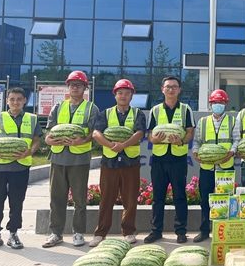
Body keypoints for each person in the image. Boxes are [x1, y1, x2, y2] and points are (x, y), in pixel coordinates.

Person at [0, 87, 42, 250]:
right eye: (12, 99)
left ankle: (13, 234)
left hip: (20, 167)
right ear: (7, 101)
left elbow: (36, 140)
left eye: (19, 99)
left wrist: (30, 151)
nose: (15, 102)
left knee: (17, 202)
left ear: (24, 101)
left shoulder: (32, 119)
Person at [42, 71, 100, 248]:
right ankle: (56, 233)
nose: (75, 88)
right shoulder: (58, 107)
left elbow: (94, 133)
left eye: (79, 85)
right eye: (72, 84)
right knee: (56, 198)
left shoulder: (91, 108)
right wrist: (48, 140)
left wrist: (82, 141)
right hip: (58, 157)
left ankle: (78, 232)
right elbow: (49, 131)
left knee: (79, 199)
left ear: (85, 88)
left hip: (79, 159)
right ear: (67, 87)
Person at [89, 79, 146, 247]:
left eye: (127, 93)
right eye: (120, 93)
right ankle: (100, 234)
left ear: (132, 96)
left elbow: (140, 133)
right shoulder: (105, 113)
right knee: (106, 199)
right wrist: (111, 145)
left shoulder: (138, 114)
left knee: (130, 199)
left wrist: (124, 145)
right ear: (115, 95)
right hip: (110, 163)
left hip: (130, 163)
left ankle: (128, 232)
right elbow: (96, 133)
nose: (123, 96)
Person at [145, 75, 195, 244]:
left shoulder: (186, 109)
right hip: (159, 159)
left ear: (179, 90)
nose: (171, 89)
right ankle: (156, 231)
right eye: (168, 86)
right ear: (162, 90)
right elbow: (149, 133)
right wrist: (153, 140)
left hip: (178, 159)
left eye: (174, 86)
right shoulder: (155, 110)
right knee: (158, 197)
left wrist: (181, 142)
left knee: (179, 196)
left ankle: (181, 231)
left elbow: (190, 131)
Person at [192, 89, 239, 243]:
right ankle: (204, 231)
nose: (218, 105)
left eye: (221, 102)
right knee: (205, 200)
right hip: (207, 167)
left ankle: (223, 232)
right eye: (215, 102)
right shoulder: (203, 121)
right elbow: (197, 141)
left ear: (226, 103)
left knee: (226, 200)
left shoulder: (232, 121)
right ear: (210, 104)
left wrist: (232, 152)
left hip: (226, 167)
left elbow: (237, 140)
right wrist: (195, 152)